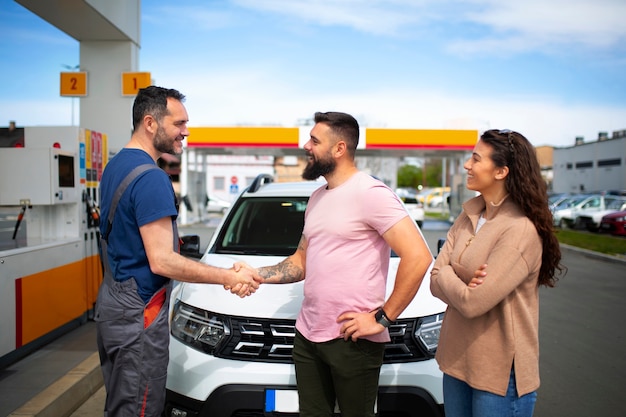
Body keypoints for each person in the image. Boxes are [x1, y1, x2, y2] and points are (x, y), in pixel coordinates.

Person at [236, 111, 433, 417]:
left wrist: (382, 318)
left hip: (352, 340)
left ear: (339, 148)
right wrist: (255, 274)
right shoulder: (316, 198)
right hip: (308, 335)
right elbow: (300, 261)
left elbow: (419, 256)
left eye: (314, 140)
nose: (306, 146)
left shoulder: (372, 194)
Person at [95, 86, 260, 417]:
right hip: (139, 313)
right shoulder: (152, 179)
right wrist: (228, 277)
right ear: (151, 123)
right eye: (179, 122)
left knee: (120, 403)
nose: (186, 130)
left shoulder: (115, 168)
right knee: (139, 407)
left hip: (113, 305)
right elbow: (162, 260)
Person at [430, 129, 566, 417]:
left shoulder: (519, 230)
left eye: (476, 159)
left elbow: (471, 303)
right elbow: (434, 279)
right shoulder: (469, 214)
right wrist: (452, 277)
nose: (467, 165)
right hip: (456, 362)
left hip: (500, 376)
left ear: (502, 171)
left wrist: (447, 273)